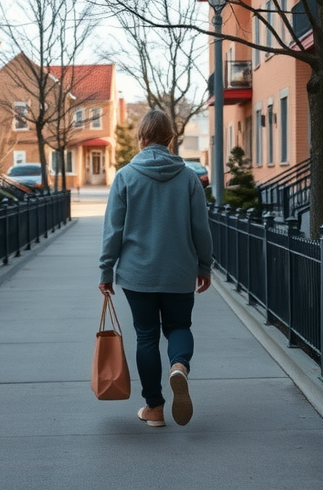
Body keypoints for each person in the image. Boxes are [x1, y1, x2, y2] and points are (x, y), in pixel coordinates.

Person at [98, 110, 214, 427]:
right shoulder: (189, 178)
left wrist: (105, 271)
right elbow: (201, 229)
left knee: (146, 337)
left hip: (138, 275)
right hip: (179, 271)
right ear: (169, 139)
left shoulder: (125, 177)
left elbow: (113, 230)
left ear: (142, 138)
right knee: (179, 327)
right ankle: (179, 366)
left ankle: (155, 408)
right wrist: (204, 265)